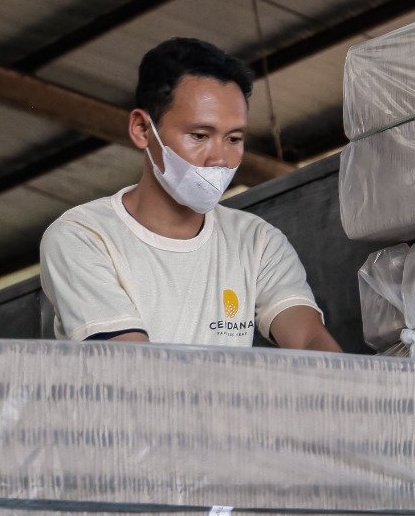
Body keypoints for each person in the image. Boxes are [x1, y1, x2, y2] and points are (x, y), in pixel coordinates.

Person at [39, 38, 340, 351]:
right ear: (142, 129)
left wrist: (348, 386)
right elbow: (134, 365)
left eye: (234, 138)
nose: (219, 158)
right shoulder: (83, 236)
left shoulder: (256, 242)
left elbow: (307, 339)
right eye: (199, 136)